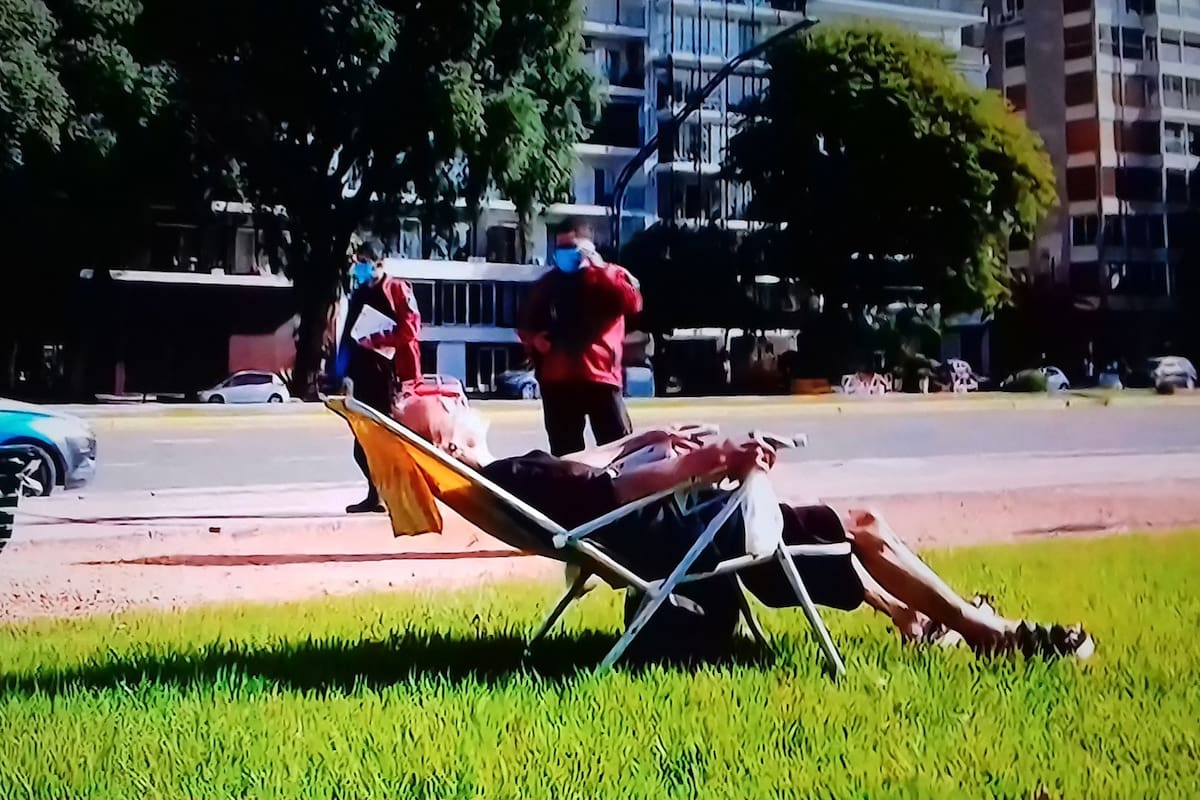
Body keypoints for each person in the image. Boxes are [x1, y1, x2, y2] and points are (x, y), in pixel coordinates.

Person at [395, 397, 1096, 660]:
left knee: (819, 536)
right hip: (693, 534)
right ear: (450, 444)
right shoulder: (517, 477)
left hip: (674, 532)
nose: (448, 394)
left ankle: (918, 619)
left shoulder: (515, 473)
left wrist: (657, 437)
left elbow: (587, 473)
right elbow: (612, 490)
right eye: (438, 405)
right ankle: (988, 635)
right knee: (861, 524)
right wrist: (709, 461)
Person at [518, 218, 642, 456]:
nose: (565, 254)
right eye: (560, 248)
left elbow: (632, 303)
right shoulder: (547, 284)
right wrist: (535, 341)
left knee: (618, 449)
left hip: (599, 378)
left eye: (571, 247)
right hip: (558, 379)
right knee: (565, 453)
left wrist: (599, 266)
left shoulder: (610, 277)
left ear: (587, 246)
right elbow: (525, 322)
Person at [340, 241, 422, 513]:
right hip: (363, 375)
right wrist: (340, 372)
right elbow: (349, 337)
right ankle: (375, 494)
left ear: (380, 264)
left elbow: (410, 329)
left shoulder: (398, 289)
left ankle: (402, 497)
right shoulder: (359, 293)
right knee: (363, 443)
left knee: (389, 439)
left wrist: (376, 339)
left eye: (365, 262)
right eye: (358, 261)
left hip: (391, 376)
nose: (360, 267)